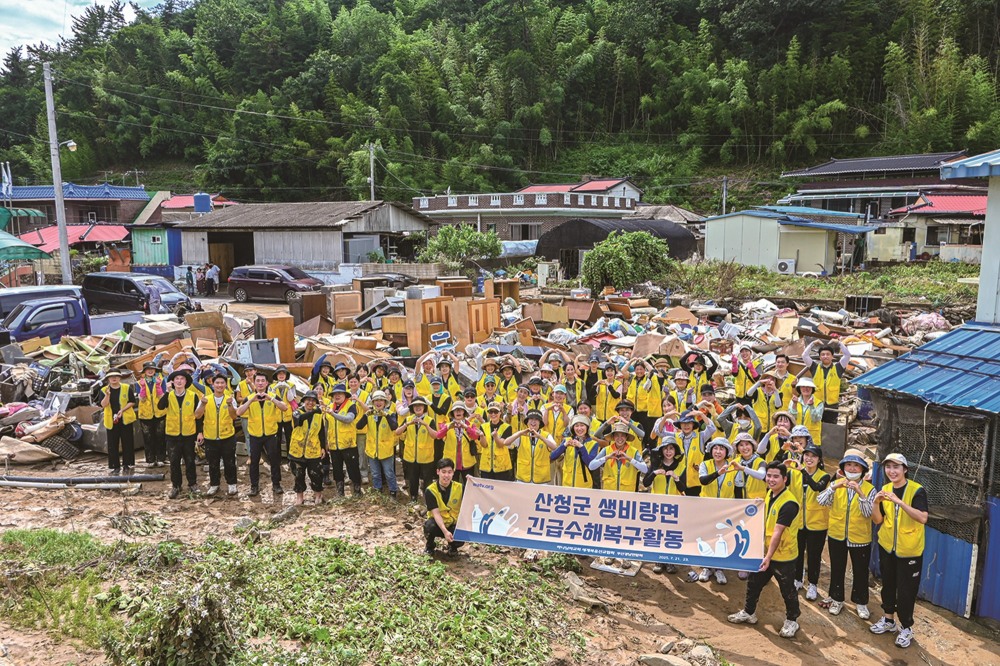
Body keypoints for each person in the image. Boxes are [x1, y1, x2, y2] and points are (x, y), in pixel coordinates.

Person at [728, 461, 802, 639]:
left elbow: (778, 532)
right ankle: (749, 612)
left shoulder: (789, 504)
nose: (771, 479)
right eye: (769, 476)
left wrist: (768, 557)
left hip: (783, 555)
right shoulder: (771, 493)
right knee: (754, 582)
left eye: (776, 476)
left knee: (787, 588)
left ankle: (793, 619)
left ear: (785, 479)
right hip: (766, 551)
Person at [870, 453, 929, 648]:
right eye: (888, 467)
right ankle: (888, 621)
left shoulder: (916, 491)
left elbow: (922, 518)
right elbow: (878, 520)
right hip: (888, 547)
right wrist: (876, 502)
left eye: (896, 467)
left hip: (909, 551)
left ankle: (906, 628)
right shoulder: (885, 489)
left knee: (906, 591)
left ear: (905, 470)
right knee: (887, 585)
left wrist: (900, 502)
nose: (892, 471)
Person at [817, 449, 876, 619]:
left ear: (863, 469)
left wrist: (860, 493)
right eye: (849, 465)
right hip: (837, 535)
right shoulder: (837, 485)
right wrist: (833, 487)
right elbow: (821, 501)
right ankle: (836, 599)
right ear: (843, 468)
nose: (852, 468)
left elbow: (868, 513)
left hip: (860, 537)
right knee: (837, 568)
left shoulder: (870, 489)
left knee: (860, 570)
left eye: (856, 466)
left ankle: (861, 602)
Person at [236, 372, 289, 497]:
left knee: (274, 461)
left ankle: (276, 485)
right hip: (255, 435)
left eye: (262, 381)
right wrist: (251, 401)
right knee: (254, 462)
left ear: (266, 383)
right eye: (258, 381)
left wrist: (270, 398)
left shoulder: (272, 396)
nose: (260, 383)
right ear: (254, 383)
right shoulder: (249, 398)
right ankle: (254, 486)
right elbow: (239, 412)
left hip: (271, 434)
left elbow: (284, 408)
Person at [794, 442, 830, 601]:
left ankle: (813, 584)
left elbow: (816, 487)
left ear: (819, 459)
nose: (809, 459)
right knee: (798, 552)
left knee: (814, 555)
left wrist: (802, 470)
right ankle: (798, 579)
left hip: (817, 523)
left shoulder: (824, 476)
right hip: (798, 522)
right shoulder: (795, 474)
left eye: (813, 456)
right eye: (806, 455)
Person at [195, 373, 239, 497]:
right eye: (217, 383)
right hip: (210, 436)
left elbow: (234, 416)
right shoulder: (206, 398)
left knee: (229, 461)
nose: (219, 385)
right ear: (212, 385)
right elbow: (197, 415)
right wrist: (203, 404)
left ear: (225, 385)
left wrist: (230, 404)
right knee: (212, 463)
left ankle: (232, 484)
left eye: (222, 383)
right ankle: (214, 485)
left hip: (227, 436)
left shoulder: (230, 398)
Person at [158, 369, 200, 498]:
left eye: (182, 379)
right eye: (176, 379)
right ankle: (176, 486)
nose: (179, 381)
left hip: (189, 433)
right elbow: (160, 406)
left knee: (190, 461)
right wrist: (167, 391)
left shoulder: (193, 396)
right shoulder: (169, 395)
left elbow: (198, 416)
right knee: (174, 462)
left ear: (186, 381)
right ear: (172, 382)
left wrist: (199, 432)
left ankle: (192, 484)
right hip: (172, 434)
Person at [288, 390, 326, 506]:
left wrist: (323, 447)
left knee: (316, 474)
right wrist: (315, 411)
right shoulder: (296, 413)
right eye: (308, 400)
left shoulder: (319, 416)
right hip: (297, 450)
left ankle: (318, 494)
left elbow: (321, 432)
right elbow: (300, 420)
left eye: (313, 400)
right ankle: (300, 497)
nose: (310, 402)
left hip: (313, 449)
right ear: (304, 401)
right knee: (298, 475)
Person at [358, 391, 400, 496]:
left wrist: (386, 415)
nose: (378, 402)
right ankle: (378, 491)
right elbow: (358, 426)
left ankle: (393, 491)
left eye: (381, 400)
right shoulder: (370, 415)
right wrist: (365, 415)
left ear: (385, 402)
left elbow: (394, 427)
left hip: (386, 449)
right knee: (375, 473)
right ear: (372, 402)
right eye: (376, 400)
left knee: (389, 473)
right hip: (372, 449)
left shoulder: (390, 414)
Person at [323, 383, 362, 496]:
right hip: (334, 445)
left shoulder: (351, 406)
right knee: (337, 469)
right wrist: (326, 442)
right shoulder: (329, 407)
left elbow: (348, 419)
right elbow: (327, 425)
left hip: (348, 444)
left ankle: (357, 491)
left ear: (345, 395)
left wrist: (334, 414)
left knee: (353, 469)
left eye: (339, 393)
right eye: (335, 394)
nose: (337, 396)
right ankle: (340, 492)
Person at [396, 396, 437, 500]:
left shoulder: (430, 420)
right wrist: (407, 424)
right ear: (412, 408)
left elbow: (435, 436)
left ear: (424, 407)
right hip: (410, 456)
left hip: (426, 457)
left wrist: (426, 425)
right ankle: (413, 497)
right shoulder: (408, 419)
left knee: (427, 480)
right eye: (415, 406)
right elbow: (397, 432)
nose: (418, 407)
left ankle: (428, 499)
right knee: (413, 479)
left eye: (420, 405)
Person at [588, 422, 648, 492]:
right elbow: (591, 466)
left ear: (626, 437)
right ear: (613, 437)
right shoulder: (606, 450)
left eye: (622, 435)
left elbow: (645, 469)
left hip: (627, 494)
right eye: (617, 435)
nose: (620, 438)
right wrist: (607, 457)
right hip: (609, 493)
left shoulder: (634, 451)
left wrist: (629, 459)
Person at [503, 409, 557, 484]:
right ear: (527, 422)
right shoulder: (521, 434)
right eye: (531, 419)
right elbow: (506, 442)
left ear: (540, 423)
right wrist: (520, 433)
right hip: (523, 479)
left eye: (536, 419)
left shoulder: (546, 435)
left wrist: (540, 437)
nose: (533, 422)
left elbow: (554, 447)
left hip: (541, 480)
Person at [803, 339, 851, 423]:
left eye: (828, 354)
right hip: (817, 404)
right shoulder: (814, 367)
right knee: (816, 426)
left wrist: (838, 343)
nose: (825, 356)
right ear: (820, 357)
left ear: (832, 356)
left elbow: (847, 355)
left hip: (832, 406)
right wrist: (812, 343)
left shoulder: (838, 368)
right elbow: (804, 356)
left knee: (830, 428)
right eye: (823, 354)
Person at [424, 458, 464, 556]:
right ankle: (430, 546)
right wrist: (445, 531)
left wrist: (472, 482)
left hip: (453, 523)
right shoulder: (430, 490)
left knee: (460, 538)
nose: (446, 475)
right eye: (444, 472)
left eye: (449, 472)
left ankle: (453, 547)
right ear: (438, 472)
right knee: (430, 527)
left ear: (453, 473)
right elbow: (436, 513)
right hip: (438, 524)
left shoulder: (460, 487)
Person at [433, 403, 480, 485]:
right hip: (451, 462)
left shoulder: (470, 425)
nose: (458, 412)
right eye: (456, 410)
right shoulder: (447, 425)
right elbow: (438, 436)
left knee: (468, 485)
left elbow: (476, 436)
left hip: (467, 461)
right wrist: (448, 428)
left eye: (461, 410)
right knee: (452, 486)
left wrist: (466, 427)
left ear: (464, 412)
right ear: (452, 413)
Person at [101, 370, 137, 476]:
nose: (114, 378)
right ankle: (114, 466)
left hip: (125, 419)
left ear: (120, 378)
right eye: (111, 377)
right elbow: (103, 404)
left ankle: (127, 464)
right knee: (112, 443)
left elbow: (132, 401)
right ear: (108, 379)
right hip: (111, 420)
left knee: (127, 442)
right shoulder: (104, 390)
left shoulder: (126, 387)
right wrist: (107, 395)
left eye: (116, 376)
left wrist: (123, 410)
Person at [550, 414, 599, 488]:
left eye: (582, 425)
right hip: (567, 484)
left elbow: (590, 464)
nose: (579, 428)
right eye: (576, 426)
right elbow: (552, 457)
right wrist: (564, 446)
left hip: (584, 486)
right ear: (573, 428)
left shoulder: (594, 444)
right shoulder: (567, 440)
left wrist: (581, 447)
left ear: (587, 427)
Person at [136, 361, 167, 468]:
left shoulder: (161, 381)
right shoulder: (139, 383)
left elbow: (162, 397)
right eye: (148, 369)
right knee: (148, 437)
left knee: (160, 436)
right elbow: (142, 399)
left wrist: (158, 385)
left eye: (152, 369)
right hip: (145, 414)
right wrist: (143, 387)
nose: (150, 371)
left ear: (155, 371)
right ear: (144, 371)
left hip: (160, 413)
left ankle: (161, 458)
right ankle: (150, 459)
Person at [476, 402, 514, 481]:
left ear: (500, 412)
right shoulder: (483, 426)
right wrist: (482, 436)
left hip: (502, 467)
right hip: (486, 466)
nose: (493, 414)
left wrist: (496, 437)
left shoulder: (507, 427)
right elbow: (484, 445)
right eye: (491, 412)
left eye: (495, 412)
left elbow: (501, 445)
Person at [789, 377, 824, 448]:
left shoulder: (819, 403)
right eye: (803, 387)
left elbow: (816, 419)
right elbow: (791, 418)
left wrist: (811, 406)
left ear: (812, 389)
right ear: (799, 388)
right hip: (797, 437)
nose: (806, 389)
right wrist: (795, 404)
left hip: (812, 437)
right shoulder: (794, 401)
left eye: (808, 387)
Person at [270, 365, 296, 457]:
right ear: (276, 375)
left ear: (286, 375)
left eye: (283, 373)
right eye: (279, 373)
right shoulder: (271, 386)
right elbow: (271, 399)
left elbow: (290, 399)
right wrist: (274, 388)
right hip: (276, 416)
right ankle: (277, 457)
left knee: (290, 437)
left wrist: (287, 388)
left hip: (287, 415)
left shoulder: (291, 385)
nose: (281, 375)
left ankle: (290, 457)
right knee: (277, 438)